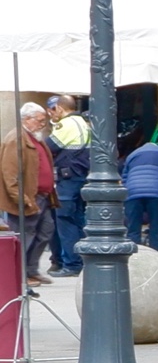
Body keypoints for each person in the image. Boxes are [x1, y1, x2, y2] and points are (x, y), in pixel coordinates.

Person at [1, 103, 57, 289]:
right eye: (40, 120)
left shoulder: (33, 138)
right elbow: (10, 176)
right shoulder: (16, 140)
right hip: (27, 199)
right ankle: (21, 275)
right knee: (25, 236)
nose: (43, 124)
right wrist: (24, 201)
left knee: (45, 231)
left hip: (41, 196)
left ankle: (31, 269)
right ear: (27, 119)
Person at [47, 95, 91, 277]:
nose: (51, 115)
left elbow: (48, 147)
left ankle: (71, 264)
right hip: (82, 177)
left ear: (58, 108)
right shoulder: (83, 123)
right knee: (78, 219)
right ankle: (82, 261)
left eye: (51, 110)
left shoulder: (66, 125)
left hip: (68, 179)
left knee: (64, 219)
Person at [121, 129, 158, 252]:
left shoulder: (132, 154)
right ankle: (156, 257)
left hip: (133, 193)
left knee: (133, 229)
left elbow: (125, 178)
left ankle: (134, 258)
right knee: (156, 228)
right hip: (157, 193)